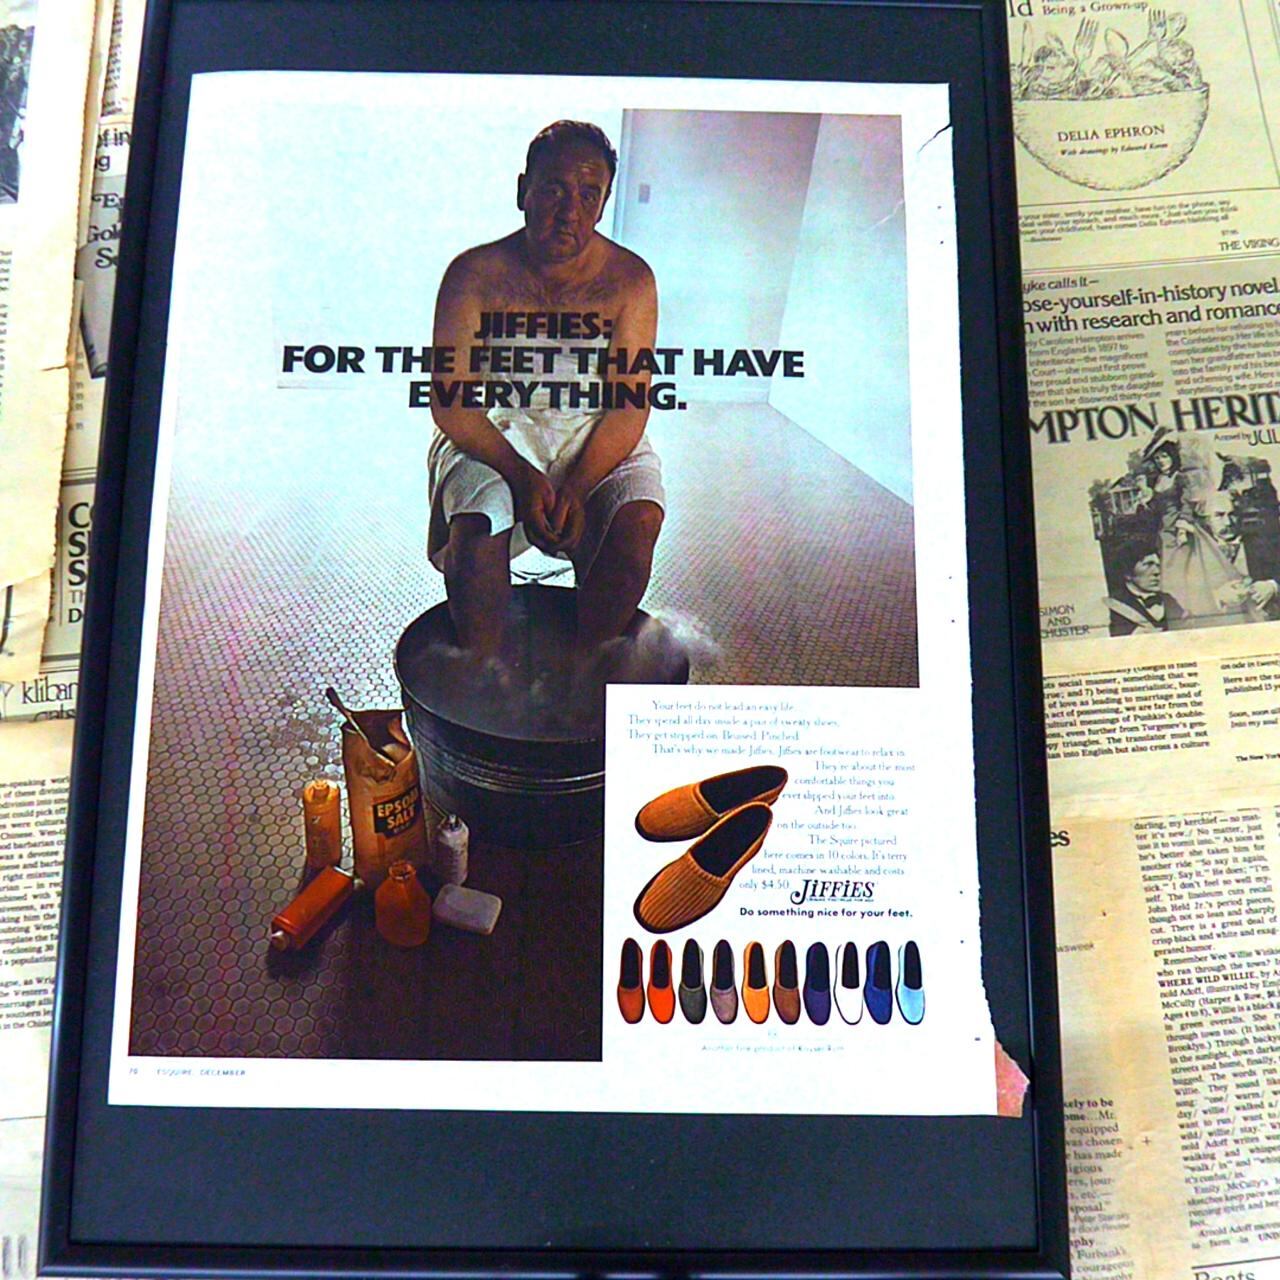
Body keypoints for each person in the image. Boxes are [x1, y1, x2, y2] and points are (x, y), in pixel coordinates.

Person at [426, 120, 665, 659]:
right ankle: (485, 667)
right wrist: (520, 475)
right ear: (523, 192)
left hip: (593, 426)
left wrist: (577, 486)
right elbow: (452, 403)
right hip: (494, 426)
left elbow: (629, 406)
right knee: (478, 529)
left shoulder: (631, 280)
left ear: (603, 205)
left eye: (588, 194)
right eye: (554, 189)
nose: (569, 211)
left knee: (638, 523)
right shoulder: (472, 274)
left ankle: (586, 661)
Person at [1106, 537, 1188, 635]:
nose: (1157, 572)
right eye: (1148, 565)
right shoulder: (1113, 608)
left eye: (1158, 565)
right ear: (1127, 573)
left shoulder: (1169, 601)